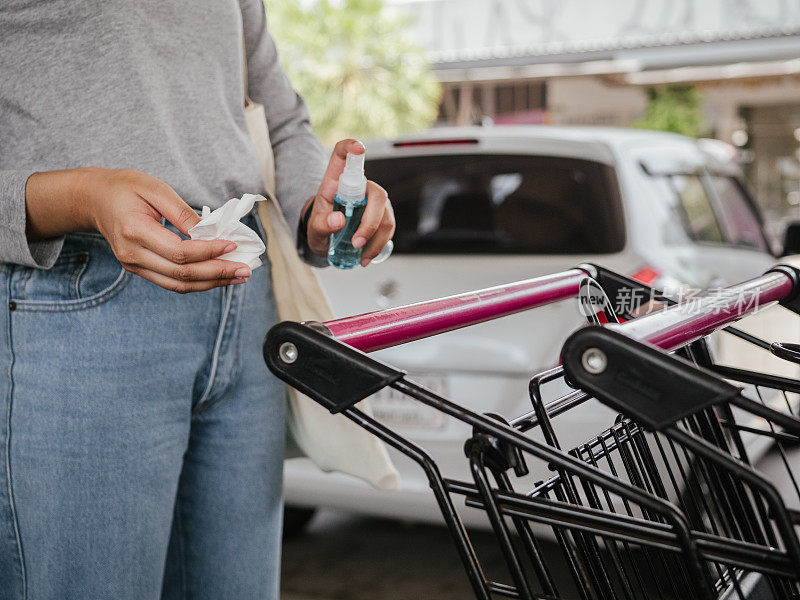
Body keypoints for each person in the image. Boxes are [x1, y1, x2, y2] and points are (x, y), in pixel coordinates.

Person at [0, 1, 395, 598]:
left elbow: (282, 121)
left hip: (245, 306)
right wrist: (81, 196)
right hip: (81, 303)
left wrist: (321, 211)